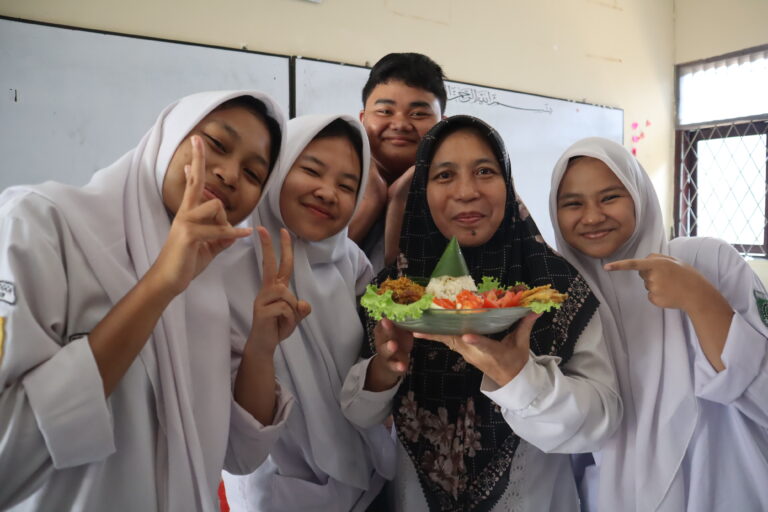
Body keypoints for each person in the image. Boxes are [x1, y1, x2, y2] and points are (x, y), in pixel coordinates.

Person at [0, 90, 308, 511]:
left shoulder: (209, 279)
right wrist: (160, 284)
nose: (231, 174)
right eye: (217, 144)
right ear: (170, 135)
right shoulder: (41, 225)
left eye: (254, 174)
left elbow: (240, 454)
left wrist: (260, 347)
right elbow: (7, 456)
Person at [341, 116, 621, 511]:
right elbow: (357, 413)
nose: (467, 192)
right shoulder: (396, 292)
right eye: (444, 175)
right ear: (423, 190)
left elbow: (602, 421)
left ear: (507, 183)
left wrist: (520, 379)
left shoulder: (553, 284)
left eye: (484, 171)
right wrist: (384, 370)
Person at [549, 137, 768, 511]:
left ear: (638, 194)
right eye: (573, 203)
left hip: (720, 480)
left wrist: (699, 298)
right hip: (615, 495)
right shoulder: (557, 296)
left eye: (610, 197)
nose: (592, 216)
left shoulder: (706, 259)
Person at [222, 114, 395, 511]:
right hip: (276, 487)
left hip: (365, 479)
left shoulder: (350, 263)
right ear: (278, 171)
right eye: (312, 171)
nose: (327, 192)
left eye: (347, 185)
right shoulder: (225, 266)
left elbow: (363, 361)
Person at [349, 52, 447, 273]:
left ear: (443, 125)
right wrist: (370, 202)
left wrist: (400, 202)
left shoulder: (460, 193)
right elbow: (312, 266)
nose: (400, 124)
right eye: (385, 111)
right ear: (363, 120)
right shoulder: (331, 182)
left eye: (419, 114)